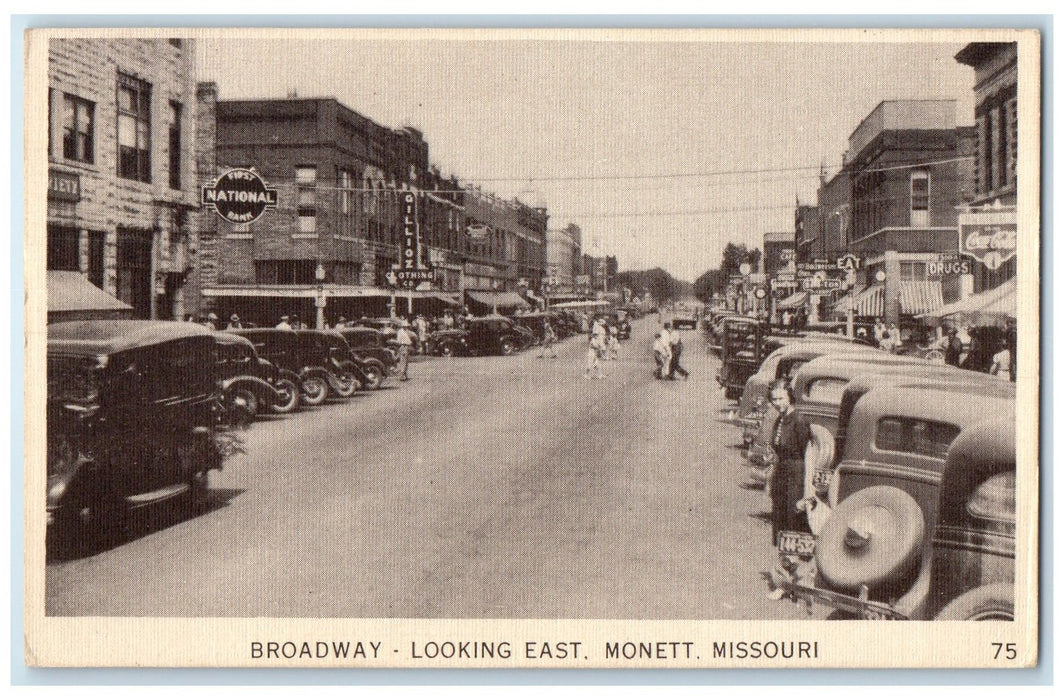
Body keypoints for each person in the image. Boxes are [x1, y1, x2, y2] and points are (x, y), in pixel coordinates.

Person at [766, 379, 812, 547]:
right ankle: (785, 562)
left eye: (781, 399)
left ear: (789, 397)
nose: (777, 403)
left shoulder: (799, 420)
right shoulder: (779, 420)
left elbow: (805, 453)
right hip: (781, 474)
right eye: (774, 400)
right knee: (780, 517)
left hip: (796, 475)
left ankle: (796, 563)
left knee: (794, 518)